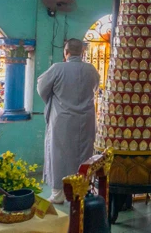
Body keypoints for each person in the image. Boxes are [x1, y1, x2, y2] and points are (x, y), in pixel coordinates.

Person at [37, 39, 99, 204]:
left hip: (62, 120)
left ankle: (58, 194)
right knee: (84, 154)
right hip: (85, 119)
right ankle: (82, 190)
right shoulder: (91, 70)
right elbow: (95, 88)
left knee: (59, 155)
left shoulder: (57, 68)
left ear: (66, 52)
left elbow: (42, 88)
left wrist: (56, 100)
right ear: (82, 53)